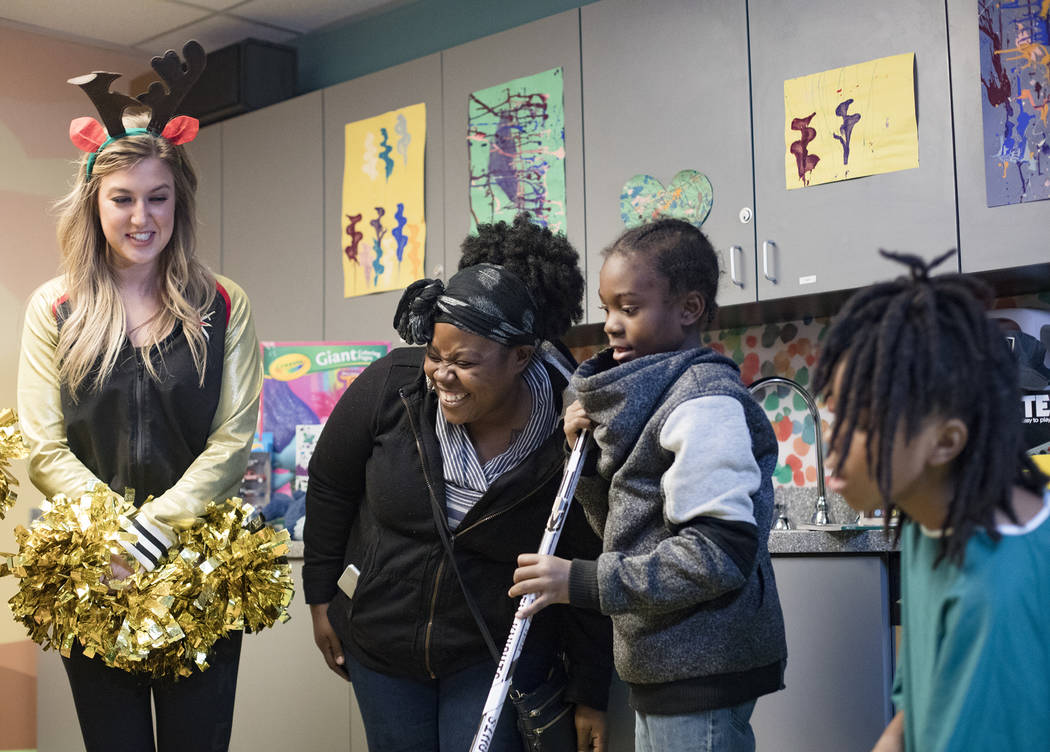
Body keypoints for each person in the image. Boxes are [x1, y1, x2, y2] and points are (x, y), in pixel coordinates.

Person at [304, 214, 613, 752]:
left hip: (489, 649)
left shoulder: (568, 429)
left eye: (465, 362)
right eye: (435, 356)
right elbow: (330, 484)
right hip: (382, 640)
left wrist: (591, 689)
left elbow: (580, 550)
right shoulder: (394, 386)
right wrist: (319, 598)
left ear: (522, 356)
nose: (442, 375)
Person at [17, 74, 262, 750]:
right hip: (95, 570)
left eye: (158, 198)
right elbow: (43, 446)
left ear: (179, 202)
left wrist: (158, 529)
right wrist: (120, 537)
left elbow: (232, 439)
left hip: (201, 570)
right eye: (122, 199)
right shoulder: (55, 308)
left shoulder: (222, 302)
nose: (141, 217)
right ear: (93, 202)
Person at [511, 218, 787, 752]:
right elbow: (630, 527)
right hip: (663, 664)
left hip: (698, 669)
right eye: (607, 307)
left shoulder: (701, 402)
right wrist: (587, 467)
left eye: (629, 309)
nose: (611, 325)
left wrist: (582, 582)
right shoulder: (652, 395)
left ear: (688, 309)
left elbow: (718, 555)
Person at [810, 250, 1050, 752]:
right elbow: (919, 701)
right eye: (832, 414)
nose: (831, 443)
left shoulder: (992, 594)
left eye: (859, 422)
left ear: (945, 441)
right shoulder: (927, 518)